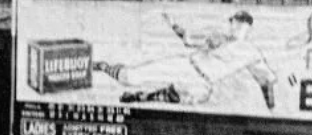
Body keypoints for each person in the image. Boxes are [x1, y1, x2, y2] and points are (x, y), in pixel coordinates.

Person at [92, 10, 278, 112]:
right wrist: (173, 24)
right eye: (233, 22)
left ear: (248, 28)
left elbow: (266, 81)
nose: (235, 26)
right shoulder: (218, 36)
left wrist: (272, 109)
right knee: (128, 78)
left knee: (197, 97)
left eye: (239, 24)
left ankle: (143, 96)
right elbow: (187, 39)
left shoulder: (251, 52)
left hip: (202, 83)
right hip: (186, 66)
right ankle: (104, 66)